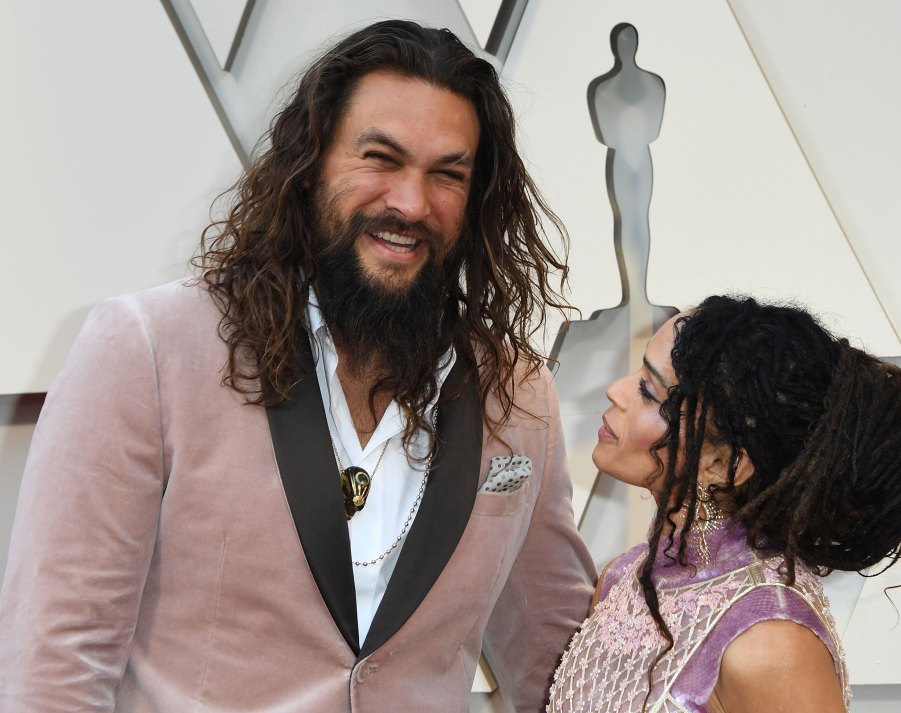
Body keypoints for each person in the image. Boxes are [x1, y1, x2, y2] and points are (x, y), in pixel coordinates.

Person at [0, 20, 595, 712]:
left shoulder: (516, 398)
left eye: (447, 174)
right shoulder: (149, 348)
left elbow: (563, 670)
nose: (410, 202)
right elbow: (55, 666)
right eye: (381, 158)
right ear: (311, 163)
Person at [548, 295, 901, 712]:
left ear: (724, 463)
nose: (614, 390)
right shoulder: (625, 576)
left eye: (648, 391)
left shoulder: (770, 639)